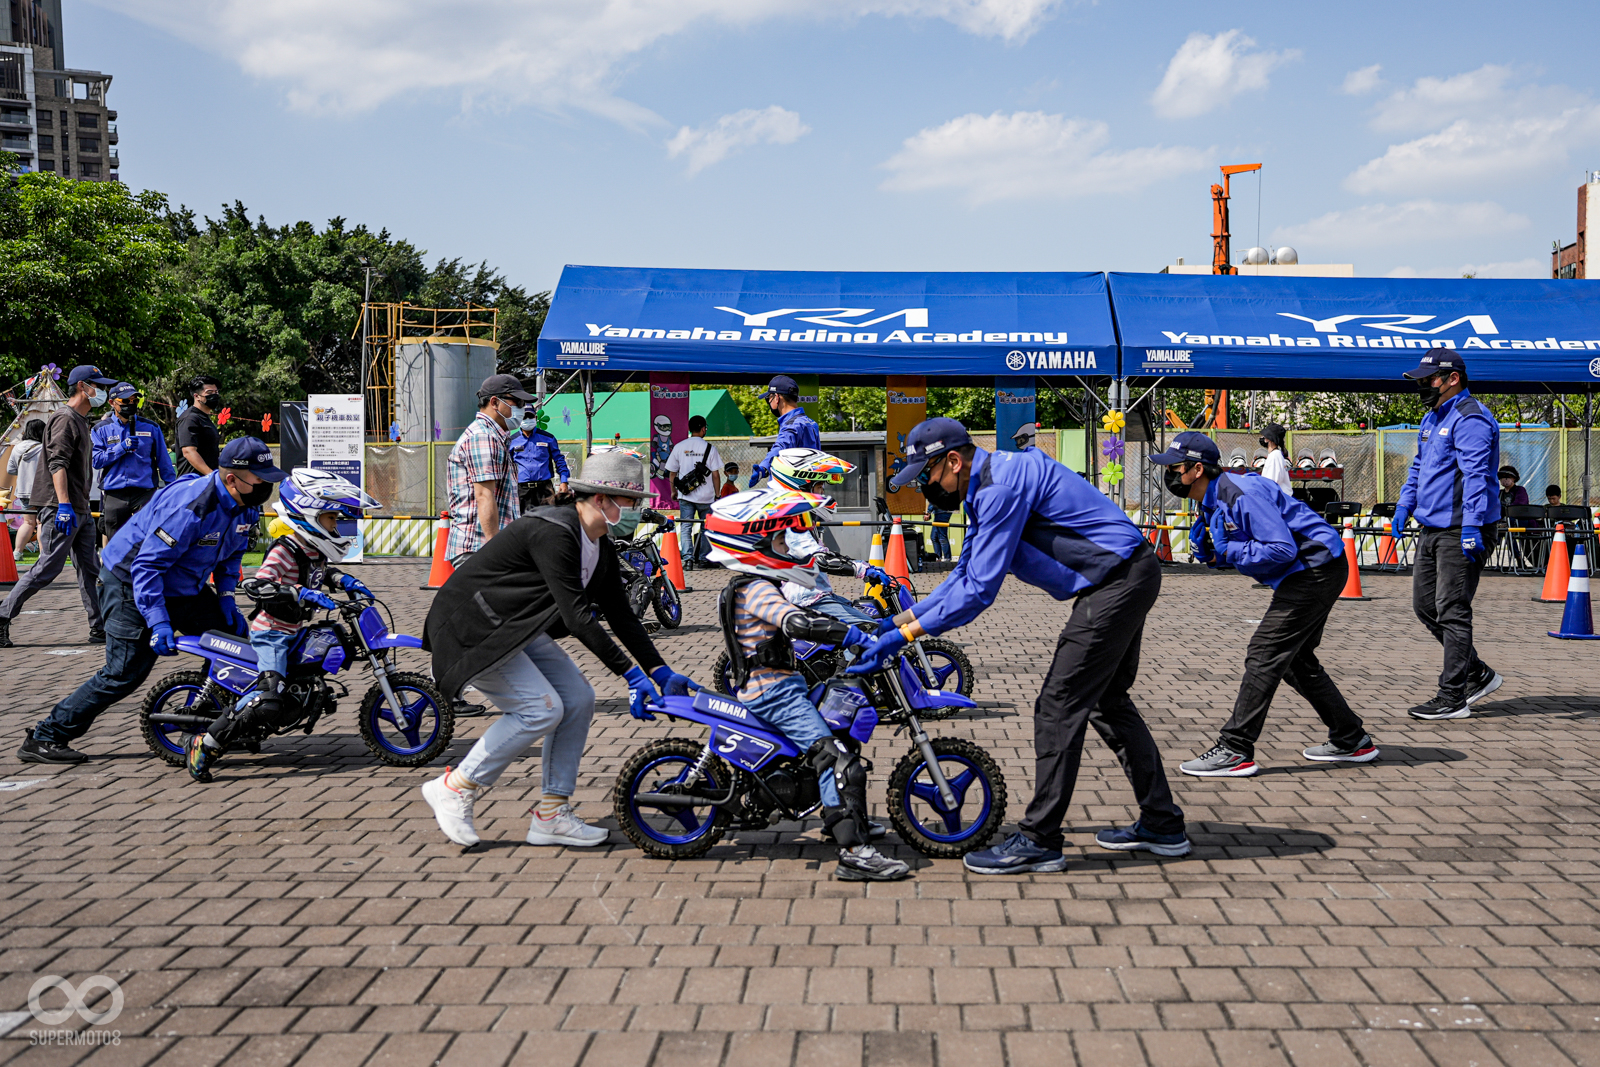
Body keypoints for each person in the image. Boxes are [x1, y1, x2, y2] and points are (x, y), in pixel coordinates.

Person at [849, 417, 1188, 874]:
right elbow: (962, 577)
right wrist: (896, 622)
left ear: (953, 460)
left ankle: (1040, 839)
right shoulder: (985, 486)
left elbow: (978, 592)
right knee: (1107, 701)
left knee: (1058, 704)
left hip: (1117, 583)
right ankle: (1163, 823)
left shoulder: (1001, 488)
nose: (926, 487)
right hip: (1123, 576)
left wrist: (902, 639)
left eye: (927, 475)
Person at [419, 450, 698, 848]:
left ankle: (551, 814)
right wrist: (631, 675)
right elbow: (577, 617)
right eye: (631, 503)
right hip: (475, 627)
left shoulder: (598, 544)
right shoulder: (554, 531)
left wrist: (659, 669)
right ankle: (456, 786)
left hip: (516, 627)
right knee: (540, 708)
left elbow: (621, 615)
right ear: (601, 499)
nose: (636, 511)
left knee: (579, 698)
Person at [16, 437, 281, 764]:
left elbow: (232, 556)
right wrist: (158, 622)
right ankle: (46, 736)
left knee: (234, 647)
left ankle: (214, 727)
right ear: (232, 479)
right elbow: (147, 566)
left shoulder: (245, 505)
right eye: (260, 478)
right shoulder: (191, 507)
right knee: (125, 672)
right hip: (130, 582)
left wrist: (227, 598)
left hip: (183, 583)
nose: (266, 484)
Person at [706, 486, 908, 881]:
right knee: (833, 758)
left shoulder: (751, 585)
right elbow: (796, 622)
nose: (785, 546)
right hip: (775, 693)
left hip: (782, 685)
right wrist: (849, 634)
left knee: (844, 732)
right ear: (753, 544)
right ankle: (853, 850)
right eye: (778, 538)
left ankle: (853, 820)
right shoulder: (757, 589)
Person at [1153, 431, 1377, 777]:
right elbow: (1244, 546)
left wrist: (1228, 551)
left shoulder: (1240, 493)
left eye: (1175, 467)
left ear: (1197, 470)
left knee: (1264, 652)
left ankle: (1235, 748)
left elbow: (1280, 549)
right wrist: (1215, 555)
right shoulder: (1212, 500)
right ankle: (1351, 738)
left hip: (1314, 567)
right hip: (1307, 570)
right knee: (1294, 660)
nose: (1170, 475)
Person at [186, 468, 380, 782]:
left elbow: (319, 573)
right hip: (272, 634)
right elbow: (259, 583)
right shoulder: (284, 551)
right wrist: (302, 593)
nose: (335, 525)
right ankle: (205, 744)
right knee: (269, 696)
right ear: (311, 516)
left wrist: (345, 580)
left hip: (292, 631)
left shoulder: (311, 550)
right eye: (331, 519)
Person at [1392, 350, 1503, 720]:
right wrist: (1404, 505)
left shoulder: (1470, 418)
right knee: (1425, 607)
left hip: (1462, 528)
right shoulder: (1432, 417)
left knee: (1452, 610)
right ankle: (1477, 672)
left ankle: (1453, 695)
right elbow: (1419, 466)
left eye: (1428, 379)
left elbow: (1477, 476)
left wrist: (1473, 525)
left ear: (1452, 378)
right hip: (1432, 526)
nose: (1423, 386)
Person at [0, 365, 118, 649]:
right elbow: (57, 464)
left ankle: (99, 627)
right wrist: (63, 505)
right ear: (82, 387)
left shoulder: (79, 419)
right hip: (61, 507)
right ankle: (2, 616)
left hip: (78, 507)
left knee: (91, 568)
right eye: (97, 385)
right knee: (47, 568)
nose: (102, 391)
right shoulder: (64, 419)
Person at [766, 449, 889, 623]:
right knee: (868, 631)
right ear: (801, 486)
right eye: (819, 487)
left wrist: (862, 565)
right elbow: (820, 559)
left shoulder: (798, 516)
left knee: (874, 616)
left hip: (816, 594)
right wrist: (862, 569)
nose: (823, 494)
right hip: (806, 600)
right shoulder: (788, 521)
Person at [445, 373, 530, 566]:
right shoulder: (483, 437)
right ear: (495, 402)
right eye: (517, 402)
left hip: (485, 547)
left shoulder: (495, 436)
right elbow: (484, 494)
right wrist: (496, 551)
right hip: (480, 548)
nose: (521, 409)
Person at [92, 383, 177, 542]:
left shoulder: (151, 427)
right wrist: (121, 448)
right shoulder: (101, 429)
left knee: (148, 539)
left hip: (144, 492)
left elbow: (164, 461)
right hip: (115, 492)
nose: (131, 405)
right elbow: (96, 461)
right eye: (125, 401)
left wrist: (173, 489)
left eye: (134, 401)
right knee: (115, 543)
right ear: (112, 403)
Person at [666, 415, 723, 567]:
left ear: (690, 429)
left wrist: (673, 491)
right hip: (707, 497)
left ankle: (688, 560)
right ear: (704, 428)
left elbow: (672, 473)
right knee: (706, 527)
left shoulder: (679, 446)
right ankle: (704, 559)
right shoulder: (710, 448)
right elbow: (716, 475)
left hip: (686, 495)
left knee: (686, 527)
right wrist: (717, 494)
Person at [749, 375, 821, 486]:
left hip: (789, 492)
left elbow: (781, 447)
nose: (768, 402)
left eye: (769, 398)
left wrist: (763, 468)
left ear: (776, 397)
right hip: (808, 490)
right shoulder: (811, 423)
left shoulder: (792, 425)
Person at [1, 419, 46, 560]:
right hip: (41, 490)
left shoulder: (17, 448)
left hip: (23, 491)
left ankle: (17, 552)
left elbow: (11, 470)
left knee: (28, 522)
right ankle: (43, 555)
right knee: (41, 522)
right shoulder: (44, 448)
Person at [509, 409, 570, 511]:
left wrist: (564, 481)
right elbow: (505, 465)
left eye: (530, 417)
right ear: (519, 419)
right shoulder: (511, 441)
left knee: (548, 521)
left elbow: (559, 460)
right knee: (523, 523)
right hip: (521, 490)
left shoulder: (548, 438)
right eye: (524, 417)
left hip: (544, 489)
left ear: (536, 418)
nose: (527, 420)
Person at [174, 375, 223, 477]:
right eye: (209, 393)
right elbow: (188, 451)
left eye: (216, 392)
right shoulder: (190, 418)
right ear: (196, 396)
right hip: (193, 483)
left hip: (206, 482)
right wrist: (211, 475)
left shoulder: (204, 418)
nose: (214, 396)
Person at [1258, 422, 1291, 493]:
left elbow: (1272, 482)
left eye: (1264, 436)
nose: (1263, 438)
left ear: (1268, 439)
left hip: (1279, 500)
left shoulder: (1275, 456)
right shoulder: (1275, 454)